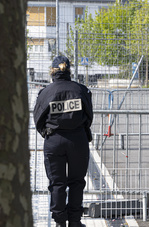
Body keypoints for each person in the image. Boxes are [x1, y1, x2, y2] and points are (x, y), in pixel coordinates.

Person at [34, 56, 93, 227]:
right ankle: (75, 221)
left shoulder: (46, 92)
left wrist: (47, 132)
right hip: (78, 140)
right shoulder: (81, 90)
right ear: (69, 71)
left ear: (52, 71)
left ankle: (60, 222)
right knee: (76, 182)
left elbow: (38, 118)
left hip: (54, 139)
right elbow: (89, 116)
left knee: (57, 183)